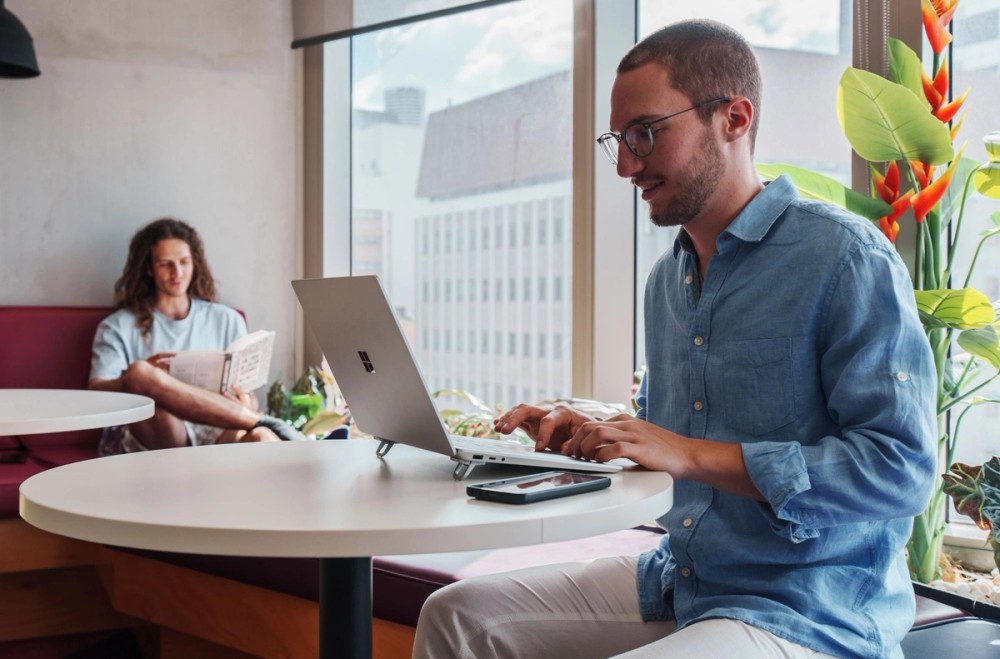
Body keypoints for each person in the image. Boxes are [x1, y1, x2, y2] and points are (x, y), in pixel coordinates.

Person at [412, 19, 937, 659]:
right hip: (683, 579)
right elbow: (674, 436)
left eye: (646, 133)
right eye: (619, 139)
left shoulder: (845, 258)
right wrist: (595, 430)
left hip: (811, 610)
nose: (627, 164)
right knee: (456, 617)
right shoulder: (670, 277)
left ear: (734, 119)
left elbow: (900, 471)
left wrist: (686, 453)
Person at [89, 217, 304, 453]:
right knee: (139, 372)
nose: (177, 273)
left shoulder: (226, 319)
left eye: (184, 262)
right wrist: (144, 381)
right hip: (164, 434)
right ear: (149, 268)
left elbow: (249, 396)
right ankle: (263, 421)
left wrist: (246, 402)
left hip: (222, 430)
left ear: (195, 263)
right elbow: (97, 391)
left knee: (263, 437)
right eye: (165, 264)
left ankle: (261, 425)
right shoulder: (118, 326)